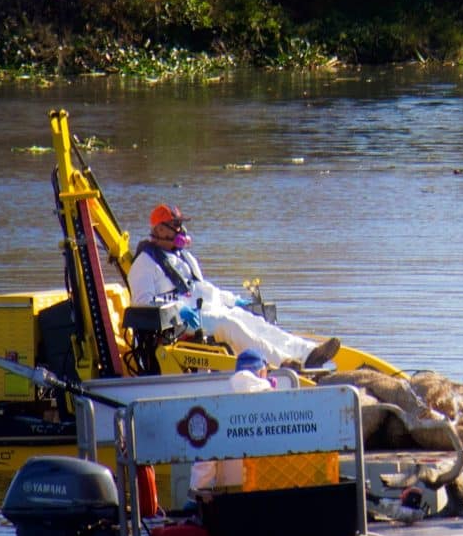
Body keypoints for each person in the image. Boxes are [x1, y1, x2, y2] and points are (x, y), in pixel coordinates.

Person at [127, 203, 342, 371]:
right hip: (179, 324)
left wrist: (235, 301)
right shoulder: (144, 263)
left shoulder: (185, 258)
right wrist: (179, 310)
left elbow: (205, 289)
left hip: (205, 311)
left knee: (252, 320)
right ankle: (282, 363)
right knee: (230, 325)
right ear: (159, 229)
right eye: (175, 225)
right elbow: (142, 303)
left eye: (180, 225)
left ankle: (308, 353)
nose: (180, 230)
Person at [189, 348, 271, 497]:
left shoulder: (217, 406)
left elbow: (205, 462)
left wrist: (197, 495)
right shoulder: (275, 401)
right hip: (270, 491)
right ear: (262, 373)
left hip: (230, 497)